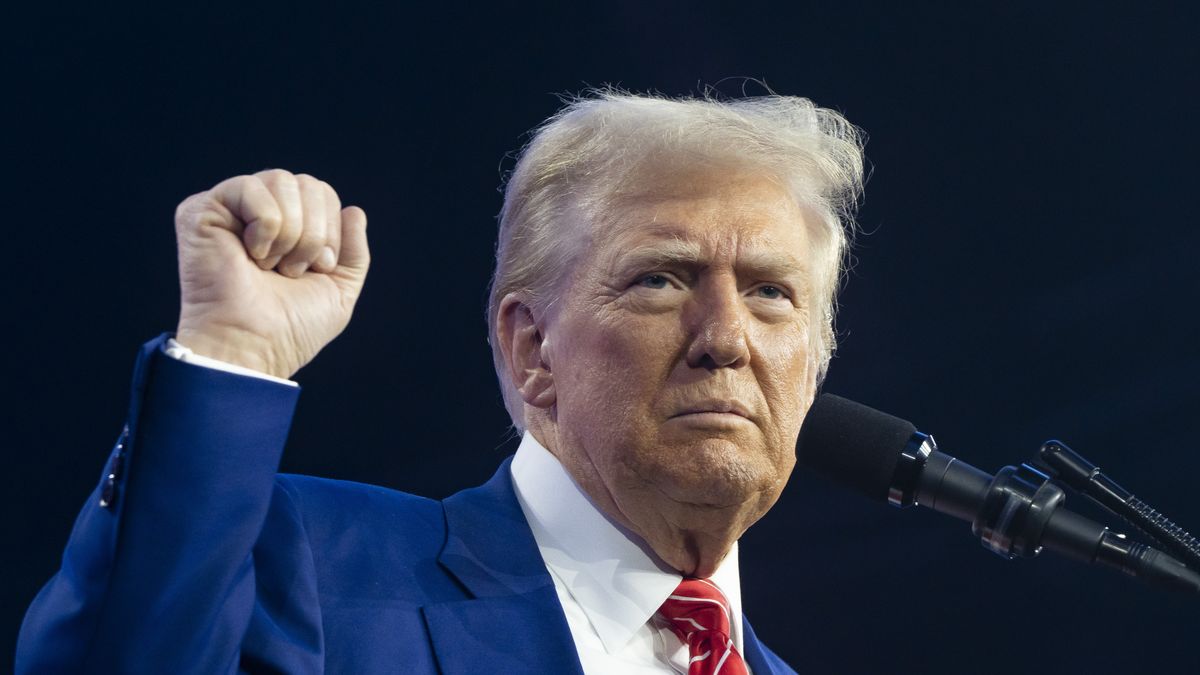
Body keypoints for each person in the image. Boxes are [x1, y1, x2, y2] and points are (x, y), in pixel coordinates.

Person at [16, 90, 864, 674]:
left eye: (771, 293)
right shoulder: (309, 563)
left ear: (814, 364)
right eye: (661, 279)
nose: (725, 338)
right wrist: (229, 354)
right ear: (531, 348)